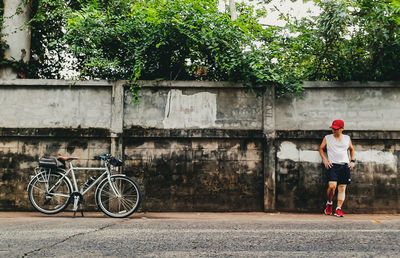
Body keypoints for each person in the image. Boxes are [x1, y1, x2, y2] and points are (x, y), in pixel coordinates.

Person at [319, 119, 355, 217]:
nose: (333, 131)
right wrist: (325, 160)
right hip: (333, 166)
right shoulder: (327, 138)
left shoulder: (347, 138)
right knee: (332, 186)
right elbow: (321, 148)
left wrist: (352, 161)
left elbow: (351, 149)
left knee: (342, 188)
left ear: (342, 129)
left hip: (345, 166)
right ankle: (329, 203)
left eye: (336, 129)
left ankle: (338, 209)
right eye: (333, 128)